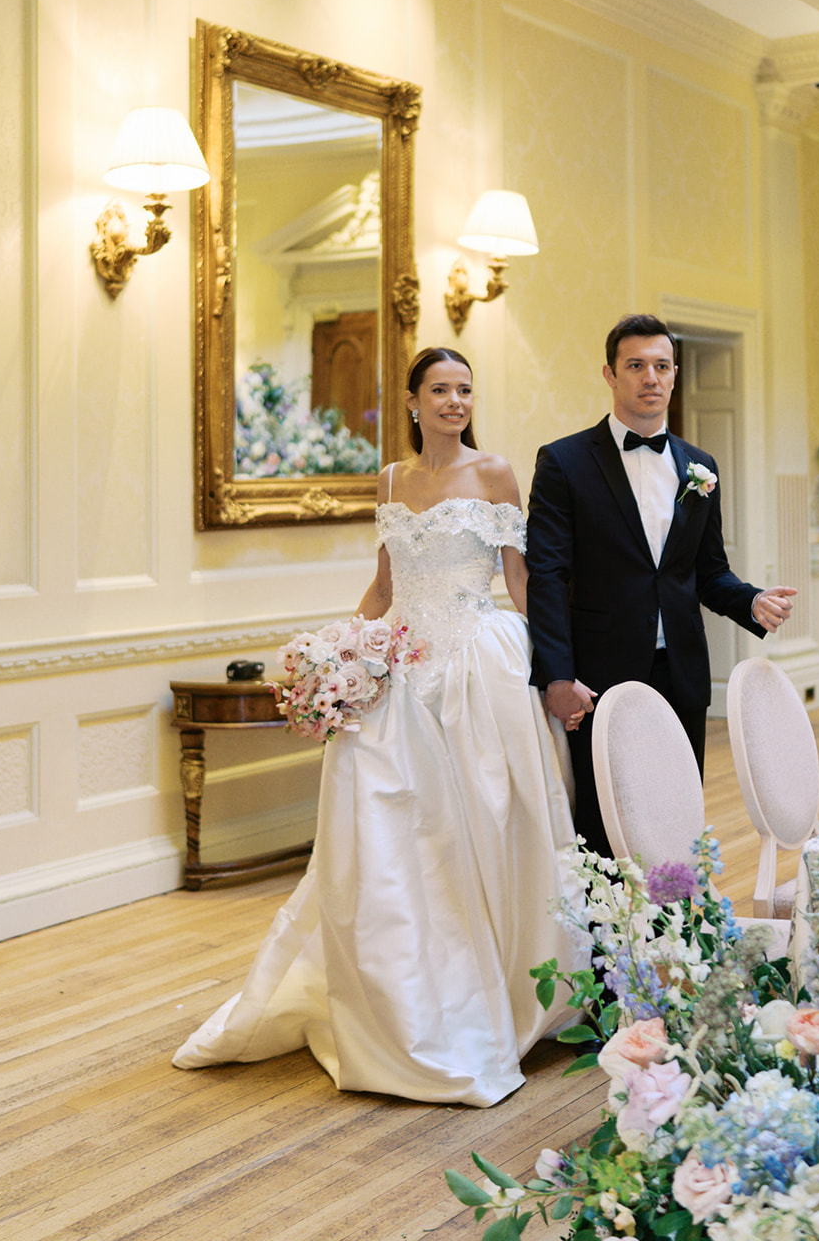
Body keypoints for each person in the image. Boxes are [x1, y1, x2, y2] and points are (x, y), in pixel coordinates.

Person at [173, 347, 584, 1107]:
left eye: (465, 389)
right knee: (396, 831)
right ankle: (407, 995)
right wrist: (339, 651)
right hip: (400, 668)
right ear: (412, 401)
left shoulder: (495, 472)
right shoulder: (392, 479)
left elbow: (520, 579)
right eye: (441, 390)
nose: (455, 401)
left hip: (478, 665)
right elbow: (385, 584)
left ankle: (505, 983)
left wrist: (558, 667)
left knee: (487, 818)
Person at [526, 313, 797, 857]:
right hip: (598, 677)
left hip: (681, 671)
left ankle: (678, 915)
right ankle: (609, 919)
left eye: (662, 366)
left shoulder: (701, 466)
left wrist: (751, 601)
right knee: (604, 821)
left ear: (675, 374)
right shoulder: (564, 462)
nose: (650, 377)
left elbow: (707, 572)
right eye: (635, 366)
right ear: (610, 375)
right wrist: (557, 675)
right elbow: (548, 576)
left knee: (677, 814)